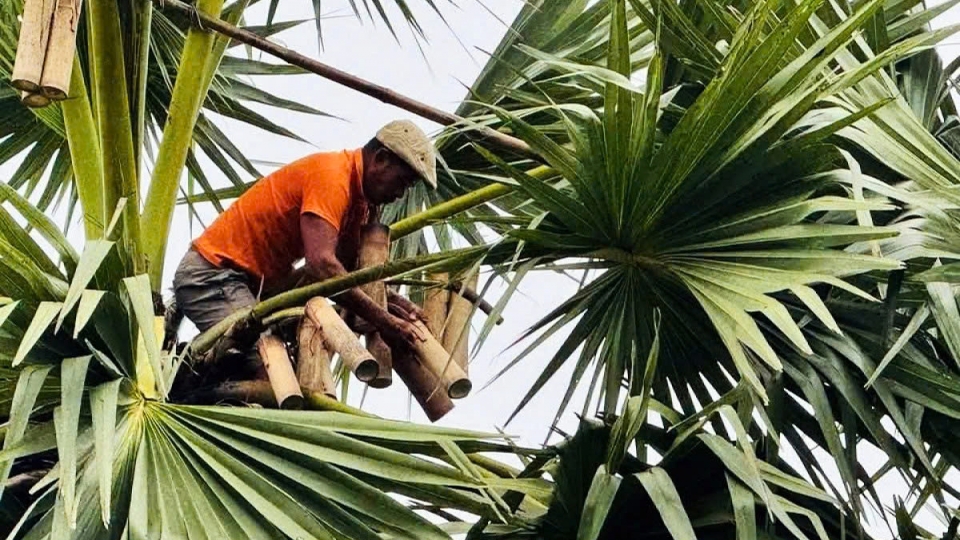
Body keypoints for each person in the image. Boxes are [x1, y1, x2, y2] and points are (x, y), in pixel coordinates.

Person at [171, 119, 435, 350]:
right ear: (380, 159)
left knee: (286, 354)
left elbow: (347, 271)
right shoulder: (332, 177)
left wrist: (395, 304)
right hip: (213, 276)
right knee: (264, 359)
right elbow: (321, 266)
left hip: (252, 289)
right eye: (401, 182)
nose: (400, 194)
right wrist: (385, 321)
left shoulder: (361, 204)